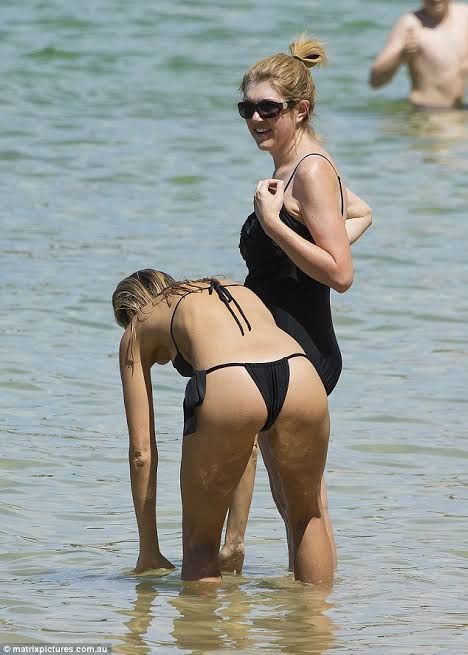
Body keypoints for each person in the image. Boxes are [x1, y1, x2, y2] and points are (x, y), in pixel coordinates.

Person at [219, 36, 372, 573]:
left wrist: (274, 225)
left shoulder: (309, 170)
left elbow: (340, 274)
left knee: (304, 507)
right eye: (246, 108)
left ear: (300, 109)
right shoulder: (292, 168)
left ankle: (315, 613)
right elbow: (363, 212)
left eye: (269, 108)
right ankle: (307, 609)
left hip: (300, 351)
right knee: (294, 502)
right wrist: (301, 228)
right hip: (279, 349)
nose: (255, 119)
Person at [112, 269, 333, 584]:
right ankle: (318, 615)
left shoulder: (139, 325)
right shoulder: (226, 289)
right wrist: (235, 541)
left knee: (200, 544)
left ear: (130, 312)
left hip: (228, 378)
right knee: (307, 518)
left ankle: (201, 619)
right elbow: (247, 444)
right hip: (301, 372)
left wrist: (149, 551)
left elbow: (141, 453)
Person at [369, 1, 468, 109]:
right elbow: (375, 81)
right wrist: (401, 56)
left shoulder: (464, 15)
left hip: (459, 111)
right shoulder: (410, 24)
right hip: (426, 112)